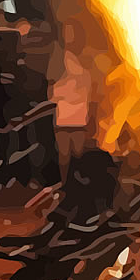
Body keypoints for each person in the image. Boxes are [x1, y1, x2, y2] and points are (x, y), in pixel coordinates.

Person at [49, 21, 93, 187]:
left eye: (72, 32)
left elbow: (87, 86)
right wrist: (67, 89)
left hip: (80, 118)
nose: (69, 36)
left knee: (79, 157)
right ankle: (67, 187)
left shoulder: (85, 59)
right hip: (64, 119)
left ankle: (76, 189)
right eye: (67, 32)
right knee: (65, 157)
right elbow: (52, 93)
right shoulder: (59, 58)